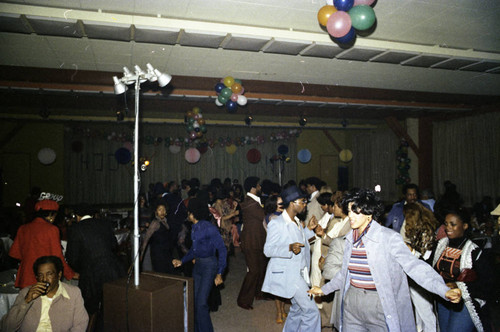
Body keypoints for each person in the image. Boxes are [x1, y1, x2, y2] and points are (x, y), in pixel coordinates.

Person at [308, 188, 462, 332]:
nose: (351, 216)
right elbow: (345, 274)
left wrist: (443, 290)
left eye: (356, 211)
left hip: (379, 303)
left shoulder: (388, 238)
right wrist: (323, 290)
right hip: (352, 304)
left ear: (369, 213)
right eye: (349, 211)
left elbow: (415, 267)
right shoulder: (350, 239)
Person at [262, 185, 321, 332]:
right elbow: (267, 250)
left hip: (299, 272)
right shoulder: (277, 223)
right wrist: (288, 248)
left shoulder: (296, 222)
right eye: (302, 201)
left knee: (297, 310)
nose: (305, 204)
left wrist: (308, 230)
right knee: (311, 311)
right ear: (292, 203)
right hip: (289, 275)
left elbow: (300, 243)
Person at [65, 204, 126, 329]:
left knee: (91, 309)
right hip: (113, 270)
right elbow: (114, 246)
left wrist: (82, 267)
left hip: (91, 274)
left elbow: (72, 258)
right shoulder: (104, 224)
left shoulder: (75, 229)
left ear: (76, 215)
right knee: (111, 307)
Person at [432, 209, 492, 332]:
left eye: (453, 224)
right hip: (443, 300)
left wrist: (457, 285)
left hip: (465, 303)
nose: (447, 228)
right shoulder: (440, 245)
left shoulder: (474, 252)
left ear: (464, 226)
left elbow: (488, 285)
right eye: (446, 224)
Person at [172, 198, 226, 332]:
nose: (187, 215)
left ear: (192, 214)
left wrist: (220, 272)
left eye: (188, 212)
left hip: (209, 266)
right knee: (194, 302)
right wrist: (182, 261)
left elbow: (222, 249)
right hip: (198, 266)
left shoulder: (209, 228)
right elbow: (193, 250)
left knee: (201, 303)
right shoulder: (194, 228)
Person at [1, 255, 88, 332]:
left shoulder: (73, 293)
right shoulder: (27, 293)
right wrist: (26, 302)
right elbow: (6, 328)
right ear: (36, 277)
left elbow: (80, 325)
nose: (44, 279)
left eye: (49, 274)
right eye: (40, 275)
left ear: (59, 275)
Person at [9, 198, 77, 289]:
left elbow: (15, 254)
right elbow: (58, 256)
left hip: (25, 277)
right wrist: (70, 274)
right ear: (51, 214)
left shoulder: (23, 228)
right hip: (44, 278)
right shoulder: (52, 229)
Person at [402, 202, 440, 332]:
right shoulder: (417, 230)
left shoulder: (426, 232)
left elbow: (426, 259)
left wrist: (411, 251)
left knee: (425, 311)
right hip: (414, 273)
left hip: (422, 274)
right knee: (419, 310)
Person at [237, 176, 267, 310]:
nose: (260, 187)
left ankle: (259, 293)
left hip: (258, 240)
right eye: (259, 185)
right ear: (253, 188)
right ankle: (243, 299)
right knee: (254, 271)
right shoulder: (249, 203)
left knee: (261, 268)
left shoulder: (255, 201)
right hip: (250, 242)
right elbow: (264, 216)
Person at [262, 194, 287, 324]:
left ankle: (282, 309)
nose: (283, 205)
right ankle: (279, 311)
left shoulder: (281, 216)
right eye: (280, 204)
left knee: (284, 285)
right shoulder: (273, 218)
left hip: (284, 252)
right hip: (276, 253)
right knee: (278, 287)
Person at [140, 202, 176, 274]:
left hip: (166, 252)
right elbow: (146, 238)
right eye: (160, 210)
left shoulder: (166, 222)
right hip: (158, 253)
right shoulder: (155, 223)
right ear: (156, 212)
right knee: (161, 272)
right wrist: (141, 254)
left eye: (164, 210)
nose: (162, 212)